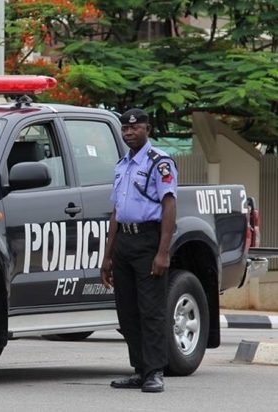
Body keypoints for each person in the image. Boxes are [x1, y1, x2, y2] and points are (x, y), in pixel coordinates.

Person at [100, 108, 178, 393]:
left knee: (151, 310)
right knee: (127, 311)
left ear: (147, 129)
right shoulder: (122, 165)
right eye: (125, 128)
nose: (129, 132)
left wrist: (163, 252)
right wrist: (107, 256)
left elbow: (169, 205)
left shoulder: (160, 162)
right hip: (124, 241)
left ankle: (155, 371)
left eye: (135, 128)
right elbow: (116, 212)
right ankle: (140, 369)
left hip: (148, 241)